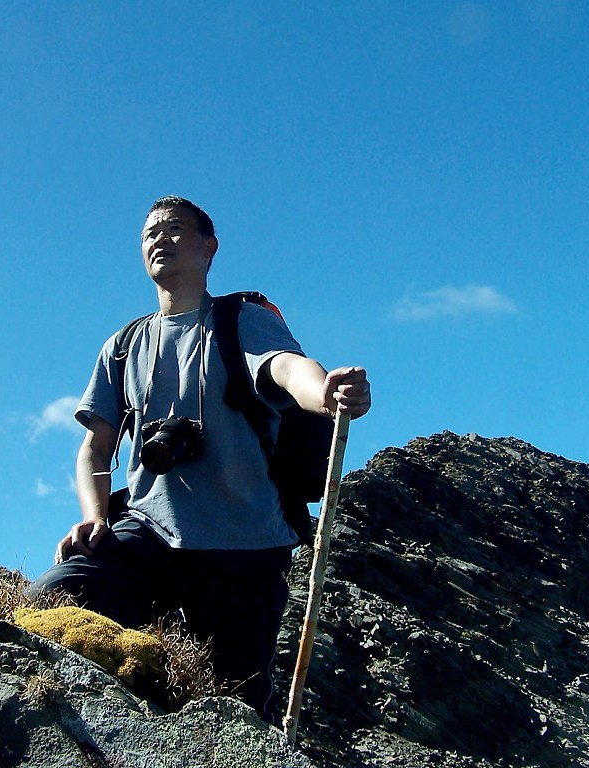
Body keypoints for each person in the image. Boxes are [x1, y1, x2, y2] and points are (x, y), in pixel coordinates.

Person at [28, 196, 371, 723]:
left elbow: (287, 369)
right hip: (148, 530)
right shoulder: (122, 346)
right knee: (57, 596)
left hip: (244, 546)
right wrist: (95, 518)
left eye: (174, 230)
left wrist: (325, 393)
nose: (159, 240)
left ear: (209, 248)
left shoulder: (241, 320)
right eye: (149, 234)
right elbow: (95, 447)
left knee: (235, 709)